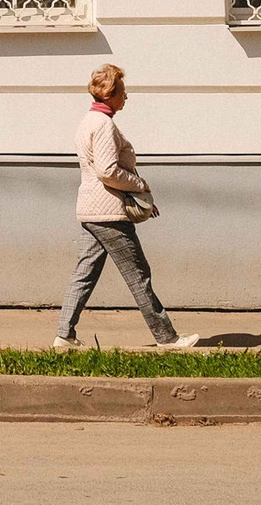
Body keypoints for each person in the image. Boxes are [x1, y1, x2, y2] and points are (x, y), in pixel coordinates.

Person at [54, 62, 200, 351]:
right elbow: (108, 170)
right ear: (110, 93)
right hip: (108, 212)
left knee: (84, 273)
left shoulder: (87, 121)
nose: (126, 96)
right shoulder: (104, 125)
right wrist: (140, 185)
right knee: (139, 274)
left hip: (90, 209)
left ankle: (64, 335)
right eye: (123, 91)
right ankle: (167, 337)